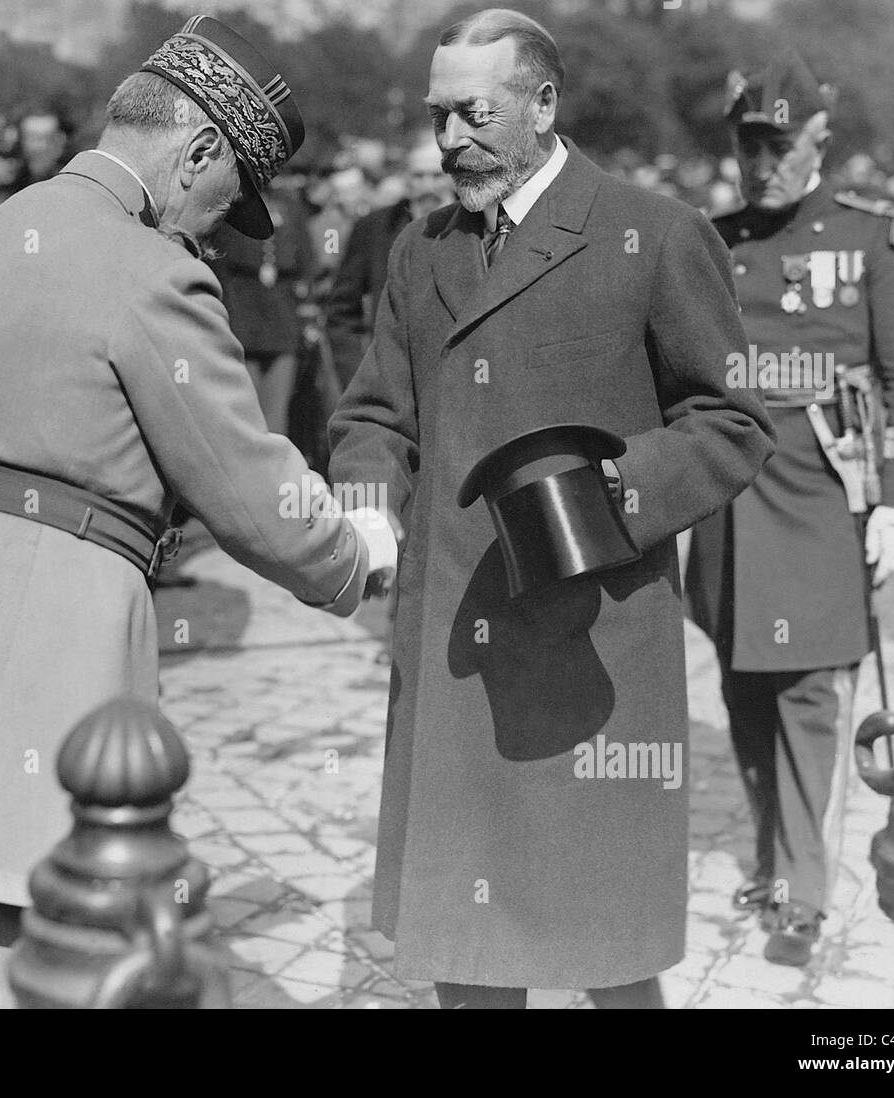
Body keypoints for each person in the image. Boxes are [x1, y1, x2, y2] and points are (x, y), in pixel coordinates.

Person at [0, 15, 395, 1008]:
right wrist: (354, 553)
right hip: (47, 661)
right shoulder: (154, 272)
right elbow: (247, 486)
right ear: (199, 150)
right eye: (226, 203)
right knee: (28, 962)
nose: (216, 226)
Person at [328, 8, 774, 1009]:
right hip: (453, 645)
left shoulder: (652, 234)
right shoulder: (419, 250)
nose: (449, 140)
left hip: (591, 647)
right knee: (467, 951)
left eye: (474, 114)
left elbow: (730, 420)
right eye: (437, 115)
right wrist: (365, 501)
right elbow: (370, 415)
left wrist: (624, 487)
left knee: (607, 950)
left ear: (542, 104)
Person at [685, 51, 894, 967]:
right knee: (742, 685)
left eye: (780, 145)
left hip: (823, 494)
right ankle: (767, 855)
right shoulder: (707, 239)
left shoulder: (875, 239)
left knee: (805, 695)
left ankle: (802, 888)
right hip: (723, 501)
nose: (763, 164)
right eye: (751, 144)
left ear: (818, 142)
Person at [325, 141, 453, 390]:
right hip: (394, 379)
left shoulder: (477, 224)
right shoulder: (374, 228)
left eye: (436, 176)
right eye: (418, 176)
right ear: (406, 179)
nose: (427, 186)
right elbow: (341, 311)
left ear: (450, 176)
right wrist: (358, 380)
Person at [208, 187, 315, 435]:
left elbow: (306, 260)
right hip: (241, 317)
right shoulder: (232, 203)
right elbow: (218, 263)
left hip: (283, 317)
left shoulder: (289, 204)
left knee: (278, 409)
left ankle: (277, 473)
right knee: (245, 407)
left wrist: (306, 310)